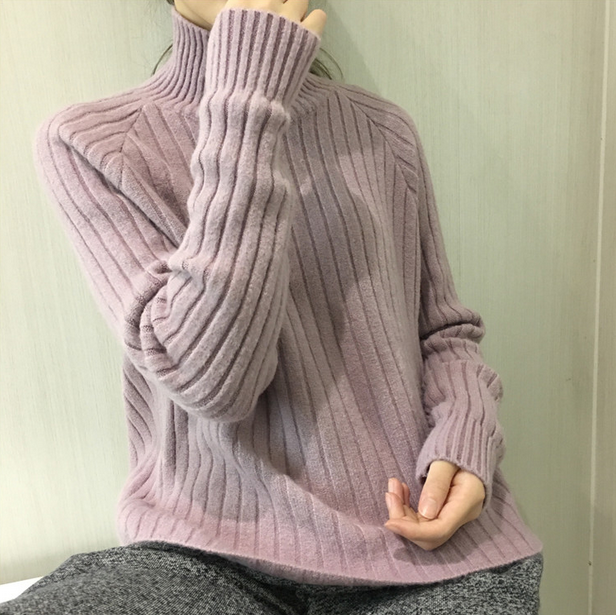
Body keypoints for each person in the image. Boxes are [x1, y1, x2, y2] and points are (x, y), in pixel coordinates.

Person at [4, 0, 544, 613]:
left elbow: (443, 332)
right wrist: (250, 102)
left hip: (422, 545)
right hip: (204, 550)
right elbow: (212, 381)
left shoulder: (383, 129)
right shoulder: (91, 144)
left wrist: (466, 439)